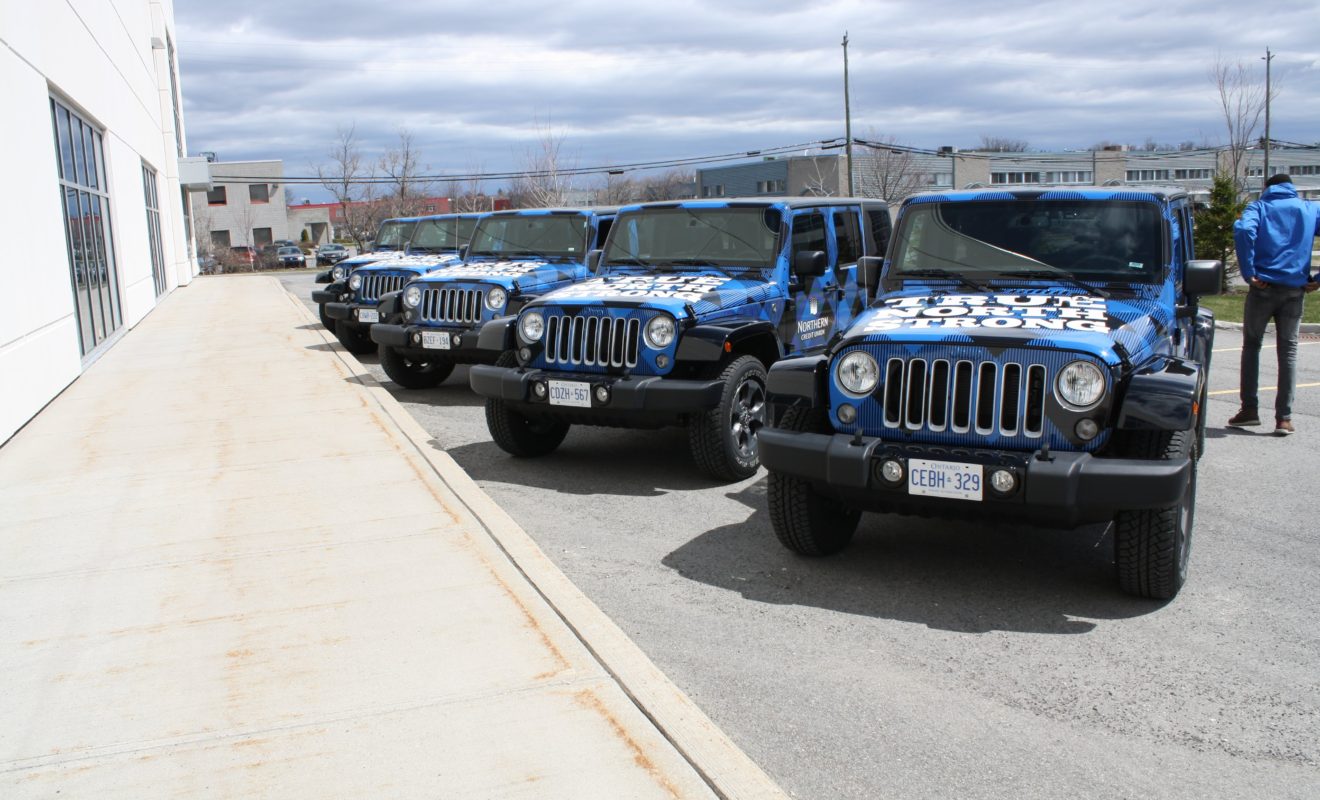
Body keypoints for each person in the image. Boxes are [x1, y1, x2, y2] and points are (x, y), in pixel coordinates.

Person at [1228, 174, 1319, 435]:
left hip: (1263, 288)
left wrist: (1249, 272)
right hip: (1295, 288)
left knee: (1252, 346)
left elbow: (1244, 229)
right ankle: (1284, 418)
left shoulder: (1259, 207)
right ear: (1291, 187)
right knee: (1288, 352)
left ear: (1267, 187)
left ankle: (1249, 410)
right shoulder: (1309, 208)